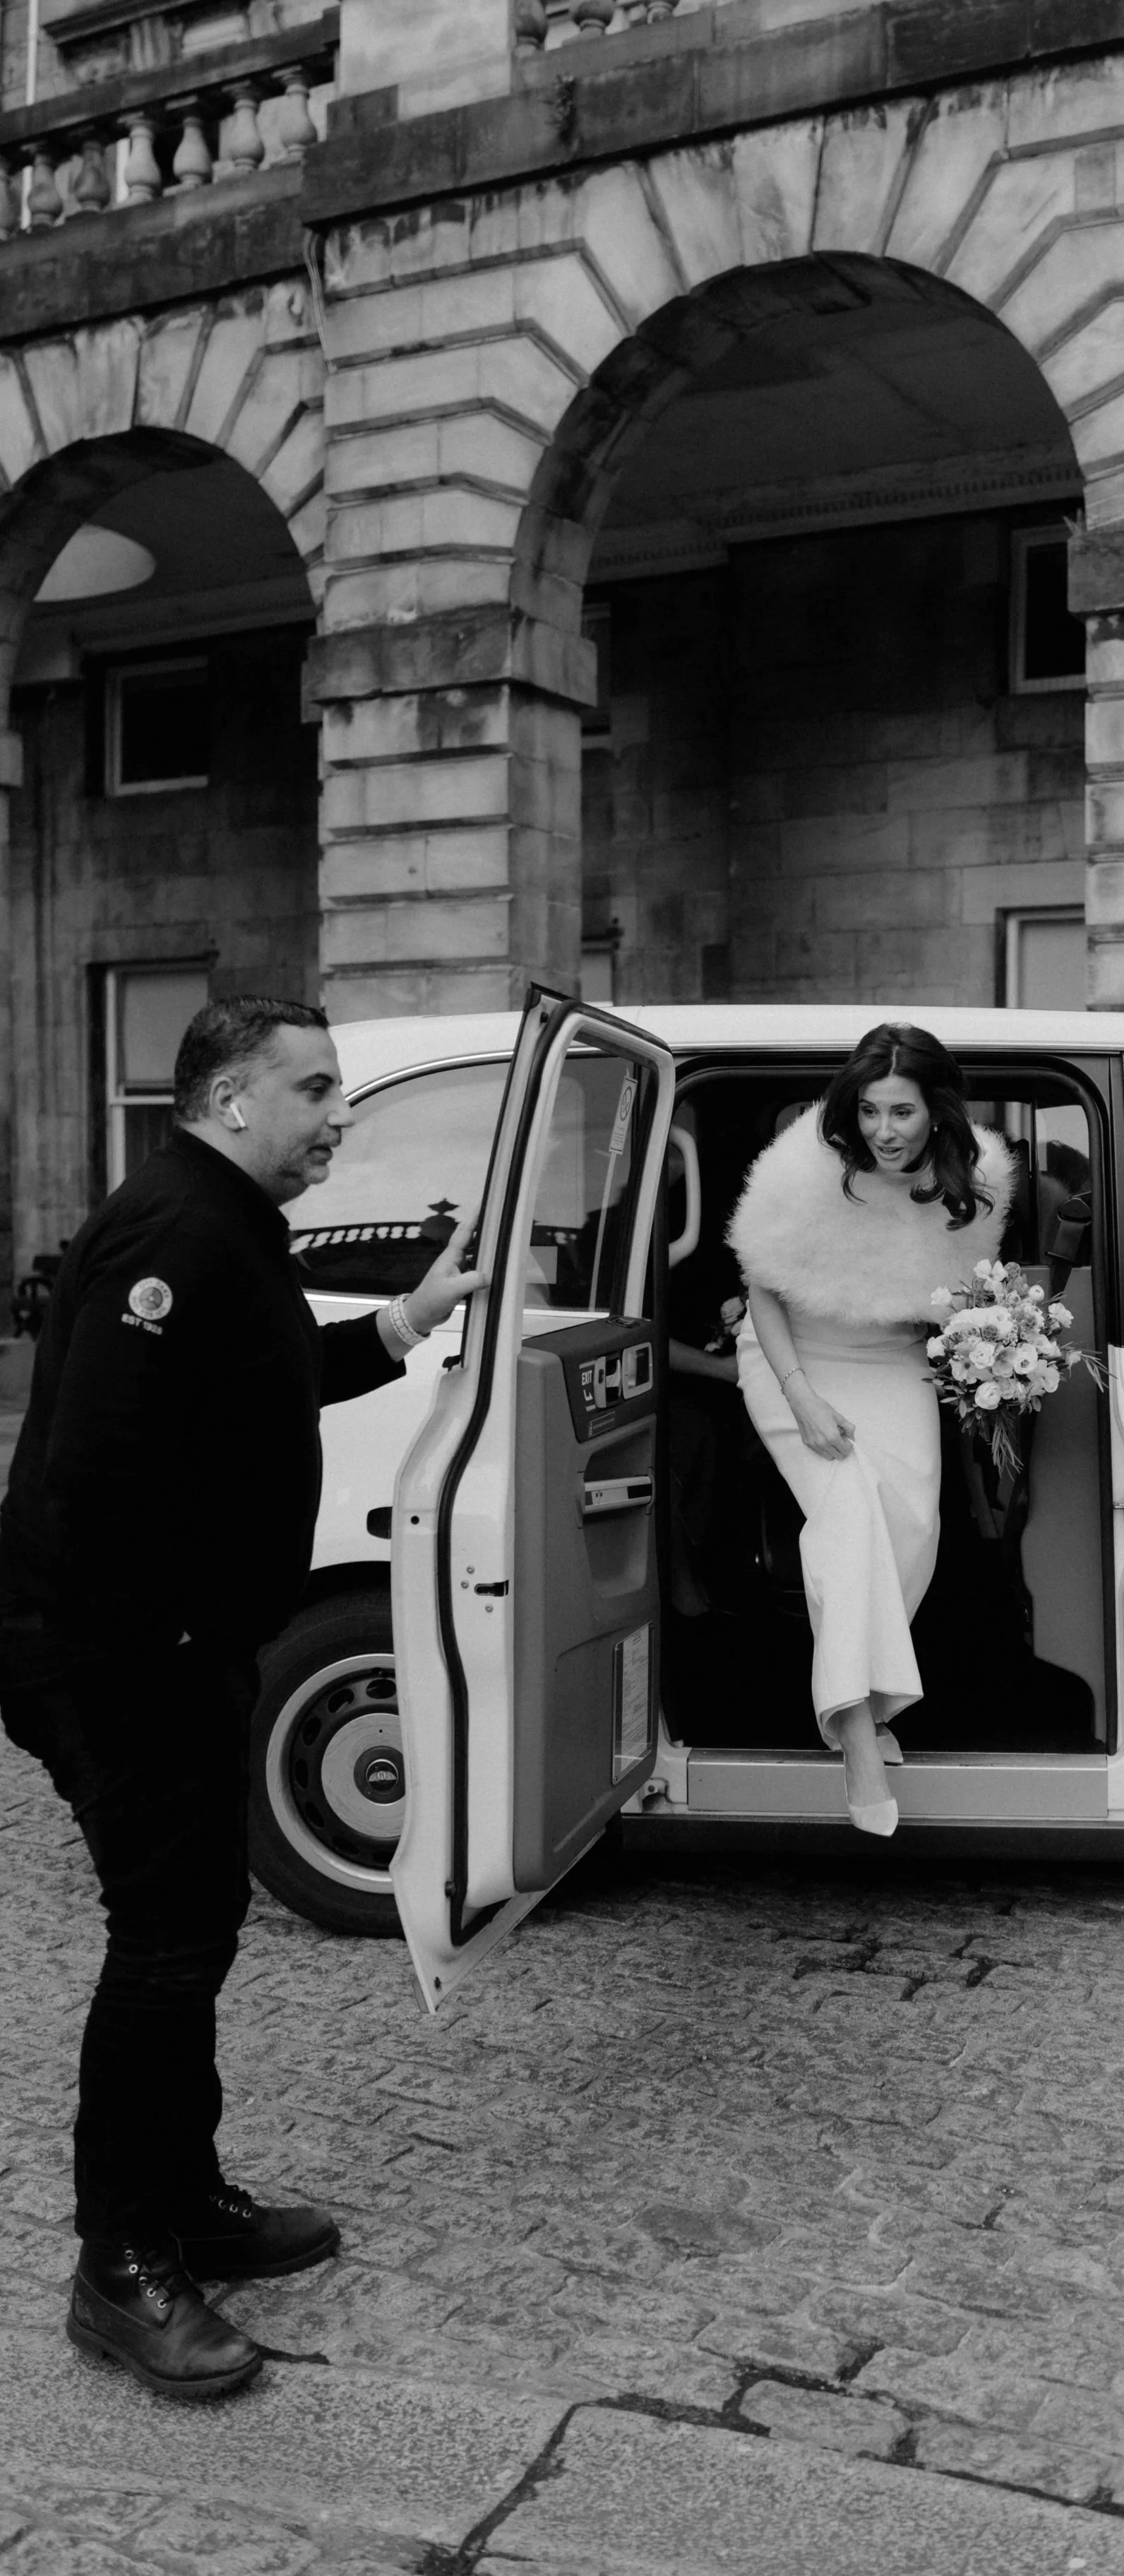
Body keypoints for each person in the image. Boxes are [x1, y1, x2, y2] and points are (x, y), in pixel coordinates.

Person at [0, 996, 482, 2402]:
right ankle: (120, 2263)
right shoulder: (172, 1231)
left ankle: (185, 2196)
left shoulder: (225, 1220)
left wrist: (402, 1322)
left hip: (166, 1646)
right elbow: (93, 1476)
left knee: (196, 1928)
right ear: (228, 1101)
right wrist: (179, 1649)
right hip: (114, 1652)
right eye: (317, 1088)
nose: (340, 1113)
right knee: (163, 1940)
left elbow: (258, 1387)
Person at [727, 1024, 1010, 1833]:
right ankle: (854, 1732)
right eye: (872, 1111)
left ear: (937, 1114)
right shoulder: (804, 1163)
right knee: (847, 1513)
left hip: (892, 1361)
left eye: (903, 1114)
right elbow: (764, 1291)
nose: (884, 1131)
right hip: (793, 1357)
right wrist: (801, 1397)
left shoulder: (977, 1181)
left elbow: (954, 1296)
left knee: (909, 1529)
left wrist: (992, 1343)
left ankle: (877, 1695)